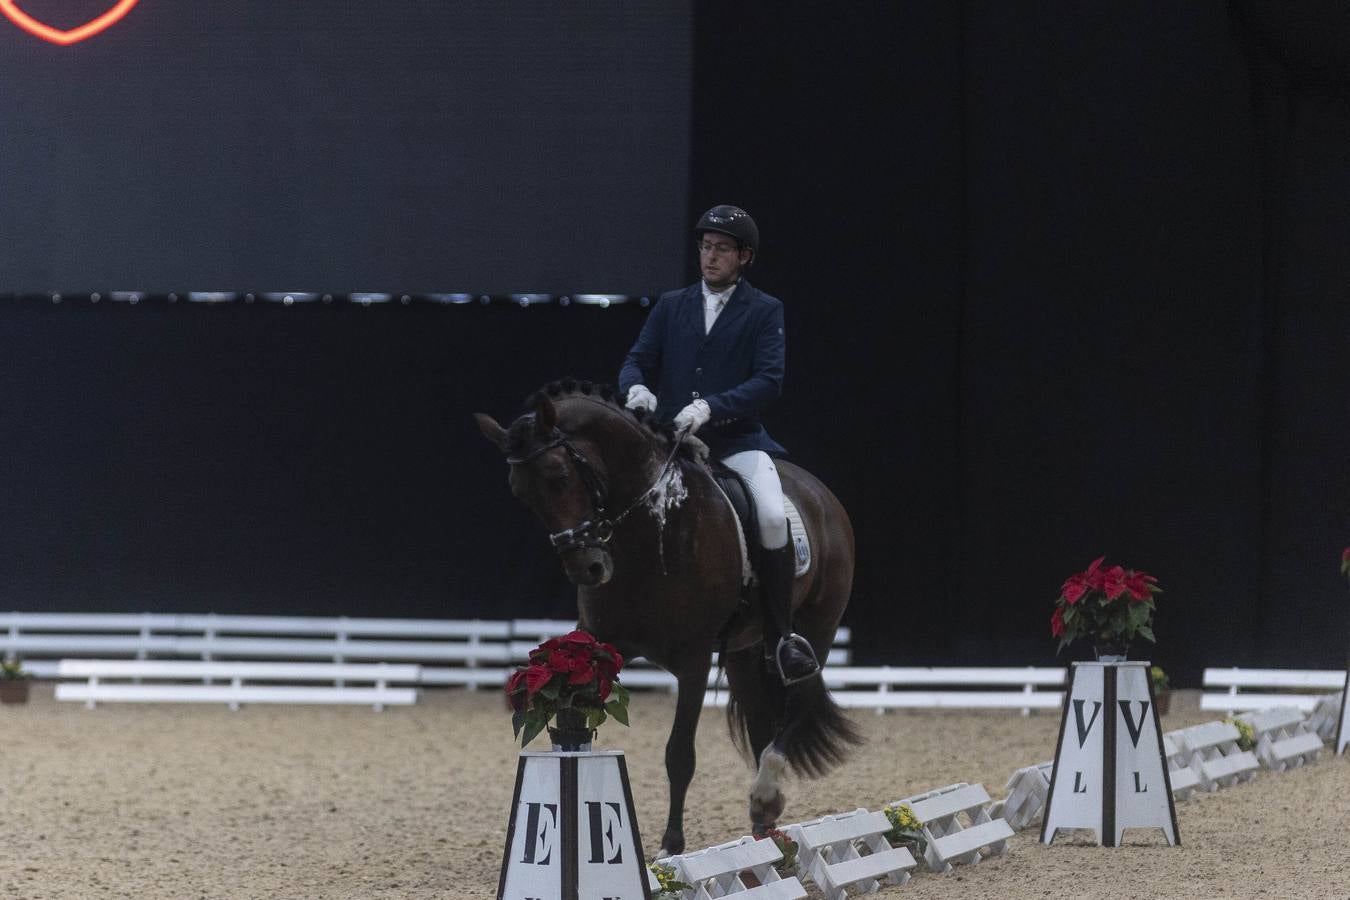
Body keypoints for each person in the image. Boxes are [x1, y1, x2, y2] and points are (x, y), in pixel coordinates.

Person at [618, 204, 819, 684]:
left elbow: (769, 380)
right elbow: (637, 359)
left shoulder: (765, 310)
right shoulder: (672, 304)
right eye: (706, 247)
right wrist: (636, 388)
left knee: (771, 514)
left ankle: (780, 638)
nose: (710, 257)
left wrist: (712, 407)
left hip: (736, 441)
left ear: (743, 257)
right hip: (670, 441)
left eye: (722, 249)